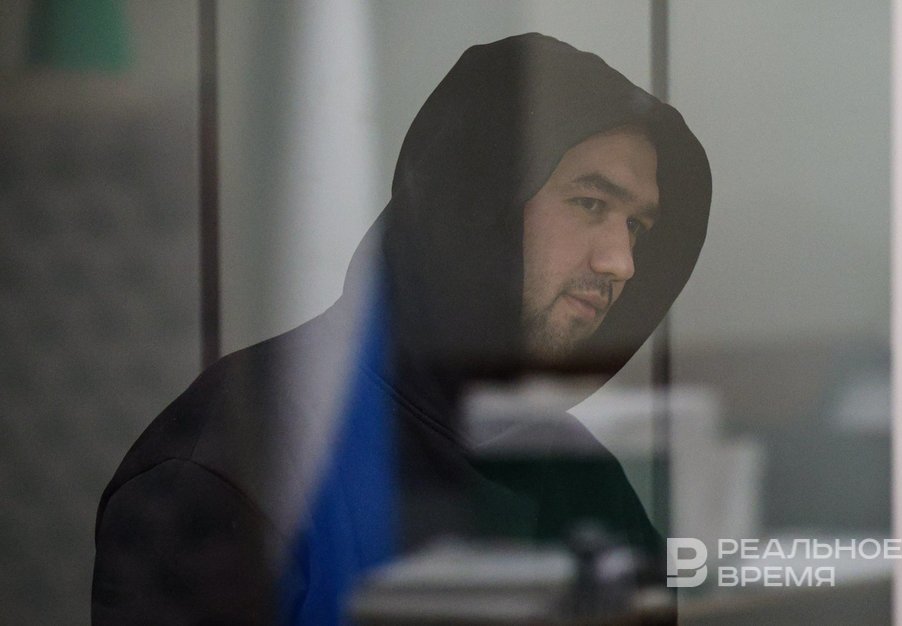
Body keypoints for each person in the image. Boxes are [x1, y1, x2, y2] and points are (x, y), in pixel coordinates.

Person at [92, 33, 710, 624]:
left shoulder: (571, 469)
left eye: (637, 228)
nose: (621, 263)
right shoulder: (244, 454)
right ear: (474, 206)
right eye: (590, 204)